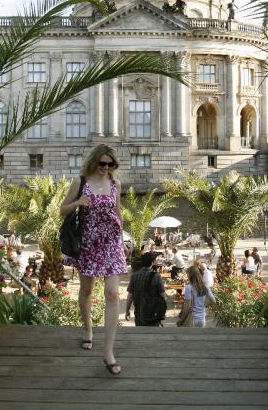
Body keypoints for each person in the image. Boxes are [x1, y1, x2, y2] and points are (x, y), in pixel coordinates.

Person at [60, 144, 127, 376]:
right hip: (88, 243)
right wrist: (78, 203)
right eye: (102, 163)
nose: (106, 168)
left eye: (110, 164)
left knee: (113, 293)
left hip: (111, 242)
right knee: (87, 291)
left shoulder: (115, 184)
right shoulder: (81, 183)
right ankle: (88, 330)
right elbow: (62, 210)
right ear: (94, 162)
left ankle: (108, 353)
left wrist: (123, 238)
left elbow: (117, 210)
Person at [125, 252, 166, 326]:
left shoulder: (134, 276)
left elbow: (130, 295)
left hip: (138, 313)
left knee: (140, 333)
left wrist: (127, 311)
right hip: (153, 313)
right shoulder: (157, 277)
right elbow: (162, 295)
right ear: (152, 263)